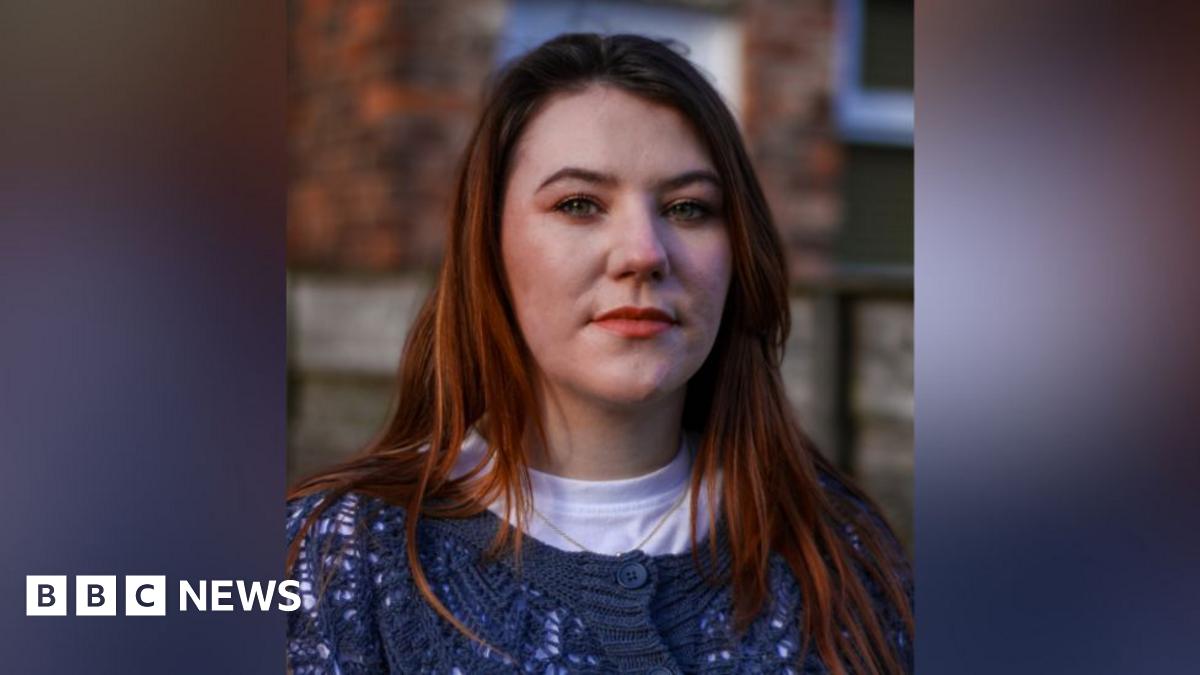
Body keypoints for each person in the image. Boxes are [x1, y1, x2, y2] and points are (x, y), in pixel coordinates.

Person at [286, 33, 913, 674]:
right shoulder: (346, 556)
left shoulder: (840, 550)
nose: (643, 252)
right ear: (490, 249)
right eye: (579, 204)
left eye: (689, 207)